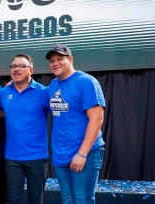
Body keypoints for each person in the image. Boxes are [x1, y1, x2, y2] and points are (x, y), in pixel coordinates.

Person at [46, 44, 106, 203]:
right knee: (67, 200)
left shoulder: (86, 82)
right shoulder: (53, 85)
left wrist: (82, 154)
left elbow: (97, 119)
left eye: (60, 59)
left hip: (84, 153)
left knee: (82, 200)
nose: (55, 63)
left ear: (70, 59)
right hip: (61, 155)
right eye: (52, 60)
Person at [0, 53, 50, 204]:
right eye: (13, 66)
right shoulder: (4, 93)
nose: (16, 69)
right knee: (13, 200)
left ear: (31, 70)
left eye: (21, 66)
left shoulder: (44, 92)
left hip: (37, 156)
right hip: (12, 157)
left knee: (36, 200)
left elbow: (61, 114)